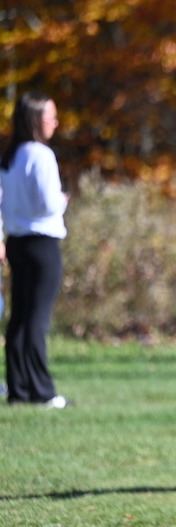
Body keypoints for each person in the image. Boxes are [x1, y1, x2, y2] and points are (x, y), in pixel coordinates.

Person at [0, 91, 70, 408]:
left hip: (17, 243)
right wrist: (62, 201)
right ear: (34, 121)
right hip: (42, 244)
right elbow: (47, 204)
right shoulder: (41, 155)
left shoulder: (10, 156)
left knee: (19, 318)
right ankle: (42, 391)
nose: (55, 123)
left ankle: (19, 389)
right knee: (37, 321)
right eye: (50, 117)